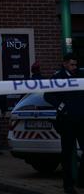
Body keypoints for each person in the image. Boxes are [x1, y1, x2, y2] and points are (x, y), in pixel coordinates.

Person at [44, 53, 84, 194]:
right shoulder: (57, 77)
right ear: (65, 63)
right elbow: (48, 95)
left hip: (81, 119)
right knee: (66, 154)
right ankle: (68, 185)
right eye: (72, 64)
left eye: (76, 64)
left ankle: (81, 179)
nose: (75, 67)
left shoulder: (80, 75)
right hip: (67, 121)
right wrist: (61, 107)